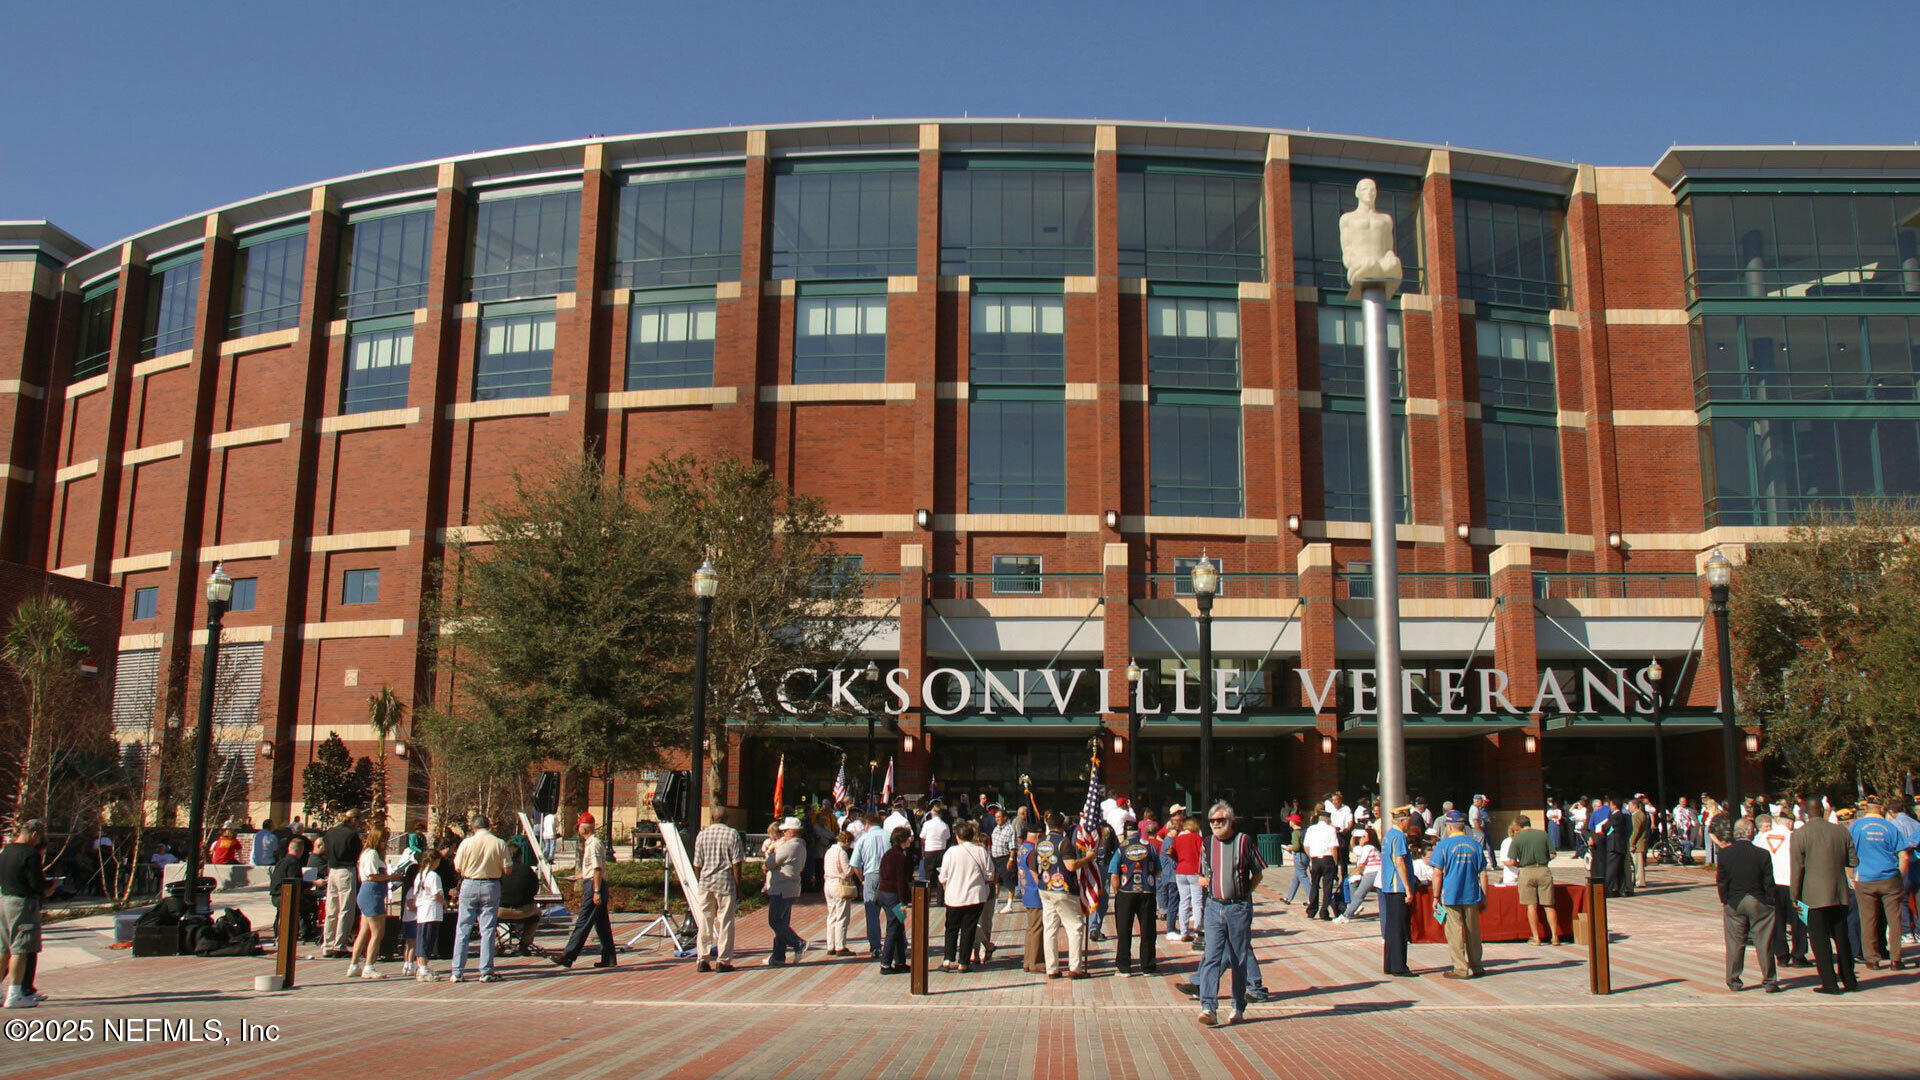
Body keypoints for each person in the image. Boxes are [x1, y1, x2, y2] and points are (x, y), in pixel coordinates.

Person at [1193, 801, 1265, 1027]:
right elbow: (1202, 873)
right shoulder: (1207, 843)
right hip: (1214, 907)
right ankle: (1208, 1007)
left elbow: (1258, 873)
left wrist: (1244, 893)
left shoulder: (1244, 841)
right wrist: (1205, 881)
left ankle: (1237, 1006)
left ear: (1230, 821)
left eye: (1220, 820)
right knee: (1211, 956)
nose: (1216, 824)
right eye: (1212, 821)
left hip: (1238, 907)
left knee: (1238, 958)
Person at [1791, 799, 1859, 995]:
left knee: (1820, 941)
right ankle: (1850, 979)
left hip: (1813, 895)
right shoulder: (1840, 831)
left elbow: (1797, 868)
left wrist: (1794, 896)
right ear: (1822, 811)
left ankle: (1829, 983)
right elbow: (1853, 860)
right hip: (1839, 892)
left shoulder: (1800, 834)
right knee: (1842, 938)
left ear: (1805, 813)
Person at [1712, 816, 1779, 992]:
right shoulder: (1762, 854)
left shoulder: (1725, 854)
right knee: (1764, 941)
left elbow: (1721, 880)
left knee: (1734, 942)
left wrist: (1725, 900)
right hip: (1758, 900)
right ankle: (1770, 979)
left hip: (1734, 901)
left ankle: (1734, 979)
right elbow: (1769, 882)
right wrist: (1770, 901)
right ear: (1750, 832)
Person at [1848, 796, 1908, 971]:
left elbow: (1849, 854)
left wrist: (1852, 876)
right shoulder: (1891, 827)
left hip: (1865, 878)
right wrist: (1900, 876)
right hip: (1889, 877)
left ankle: (1872, 959)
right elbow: (1903, 855)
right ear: (1881, 809)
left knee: (1868, 919)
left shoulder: (1855, 827)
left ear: (1867, 809)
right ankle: (1896, 959)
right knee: (1894, 919)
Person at [450, 813, 511, 983]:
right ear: (489, 826)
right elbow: (507, 869)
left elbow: (458, 867)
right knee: (488, 929)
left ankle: (457, 970)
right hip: (491, 884)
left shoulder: (466, 843)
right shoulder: (499, 843)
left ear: (474, 827)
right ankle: (486, 970)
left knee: (463, 927)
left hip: (469, 883)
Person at [0, 821, 53, 1009]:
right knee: (20, 948)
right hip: (22, 903)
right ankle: (15, 994)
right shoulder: (30, 854)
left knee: (4, 948)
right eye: (38, 837)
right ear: (34, 834)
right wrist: (51, 887)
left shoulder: (6, 851)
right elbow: (37, 885)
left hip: (5, 900)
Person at [555, 812, 615, 969]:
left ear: (583, 828)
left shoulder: (593, 844)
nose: (578, 831)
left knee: (584, 921)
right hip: (593, 882)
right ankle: (609, 957)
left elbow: (597, 868)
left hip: (595, 885)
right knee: (601, 923)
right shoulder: (592, 843)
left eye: (579, 827)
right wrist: (580, 875)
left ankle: (568, 956)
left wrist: (596, 891)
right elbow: (592, 868)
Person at [1431, 812, 1488, 979]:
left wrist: (1435, 897)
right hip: (1471, 893)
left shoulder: (1444, 845)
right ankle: (1477, 966)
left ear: (1449, 827)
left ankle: (1460, 968)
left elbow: (1437, 873)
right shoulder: (1475, 845)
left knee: (1455, 931)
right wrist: (1484, 896)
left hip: (1451, 894)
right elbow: (1483, 874)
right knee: (1473, 931)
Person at [1036, 812, 1090, 978]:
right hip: (1063, 888)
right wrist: (1087, 859)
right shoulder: (1064, 842)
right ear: (1061, 826)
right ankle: (1075, 968)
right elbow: (1071, 865)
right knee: (1074, 927)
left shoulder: (1041, 841)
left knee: (1050, 928)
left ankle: (1052, 968)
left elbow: (1035, 865)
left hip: (1045, 888)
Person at [937, 821, 994, 972]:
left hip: (954, 897)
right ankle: (964, 962)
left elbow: (942, 877)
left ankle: (948, 959)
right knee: (968, 928)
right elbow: (990, 874)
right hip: (975, 896)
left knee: (951, 928)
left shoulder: (950, 852)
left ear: (957, 836)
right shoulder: (981, 851)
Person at [1755, 811, 1809, 969]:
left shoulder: (1763, 837)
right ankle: (1798, 955)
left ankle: (1781, 955)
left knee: (1777, 920)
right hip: (1792, 882)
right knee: (1798, 920)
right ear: (1790, 823)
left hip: (1771, 883)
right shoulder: (1794, 837)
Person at [347, 824, 400, 979]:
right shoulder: (372, 854)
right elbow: (372, 875)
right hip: (372, 892)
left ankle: (354, 964)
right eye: (384, 840)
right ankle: (369, 966)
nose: (385, 843)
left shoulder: (368, 853)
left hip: (369, 892)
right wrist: (392, 877)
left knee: (364, 931)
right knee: (378, 932)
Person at [692, 816, 744, 972]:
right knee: (725, 922)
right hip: (725, 883)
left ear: (712, 818)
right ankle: (723, 961)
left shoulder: (702, 834)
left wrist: (699, 879)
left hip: (706, 883)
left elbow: (697, 863)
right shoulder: (732, 834)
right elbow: (737, 862)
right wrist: (739, 885)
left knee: (705, 921)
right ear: (726, 818)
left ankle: (702, 959)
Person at [1108, 821, 1160, 976]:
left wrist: (1117, 891)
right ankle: (1148, 966)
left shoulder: (1121, 848)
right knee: (1148, 931)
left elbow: (1114, 874)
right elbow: (1158, 871)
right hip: (1147, 892)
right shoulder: (1149, 846)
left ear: (1125, 831)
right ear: (1138, 830)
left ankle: (1124, 967)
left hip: (1126, 892)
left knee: (1124, 930)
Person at [1503, 814, 1557, 945]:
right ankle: (1555, 937)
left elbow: (1511, 860)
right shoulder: (1543, 834)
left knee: (1531, 906)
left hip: (1526, 871)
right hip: (1543, 870)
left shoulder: (1517, 838)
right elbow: (1553, 854)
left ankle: (1536, 937)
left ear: (1518, 825)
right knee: (1549, 905)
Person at [764, 817, 809, 966]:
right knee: (782, 923)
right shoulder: (801, 845)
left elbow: (769, 863)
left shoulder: (790, 846)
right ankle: (778, 956)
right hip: (791, 887)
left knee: (775, 921)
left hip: (782, 888)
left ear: (792, 831)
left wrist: (771, 851)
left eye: (785, 830)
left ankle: (798, 942)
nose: (783, 833)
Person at [1378, 806, 1417, 978]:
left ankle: (1390, 963)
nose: (1410, 823)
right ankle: (1399, 965)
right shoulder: (1399, 836)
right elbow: (1400, 862)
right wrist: (1408, 888)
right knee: (1400, 928)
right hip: (1397, 886)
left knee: (1392, 927)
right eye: (1408, 820)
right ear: (1403, 821)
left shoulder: (1388, 836)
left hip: (1388, 885)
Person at [321, 808, 364, 957]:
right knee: (346, 909)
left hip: (332, 870)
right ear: (353, 819)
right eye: (358, 820)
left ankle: (327, 944)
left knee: (331, 909)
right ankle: (339, 945)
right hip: (346, 869)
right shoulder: (352, 834)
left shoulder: (331, 832)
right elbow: (357, 852)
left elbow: (324, 848)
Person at [406, 848, 449, 981]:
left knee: (423, 938)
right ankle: (423, 968)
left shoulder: (420, 875)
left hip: (423, 910)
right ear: (435, 861)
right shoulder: (433, 876)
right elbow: (436, 894)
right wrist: (445, 903)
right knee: (426, 939)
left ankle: (422, 966)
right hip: (431, 910)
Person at [850, 811, 889, 958]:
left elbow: (855, 864)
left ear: (867, 824)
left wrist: (862, 879)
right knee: (895, 910)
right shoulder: (889, 835)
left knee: (872, 913)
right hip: (889, 876)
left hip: (871, 874)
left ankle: (875, 946)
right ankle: (900, 941)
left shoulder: (863, 839)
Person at [876, 826, 914, 974]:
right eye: (908, 838)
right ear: (902, 840)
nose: (910, 840)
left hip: (884, 894)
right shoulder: (900, 857)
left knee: (899, 927)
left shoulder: (888, 854)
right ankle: (885, 963)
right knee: (893, 928)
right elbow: (901, 881)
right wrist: (904, 902)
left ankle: (900, 962)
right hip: (894, 896)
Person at [269, 834, 318, 944]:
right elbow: (294, 882)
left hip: (276, 895)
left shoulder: (282, 861)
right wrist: (314, 883)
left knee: (304, 900)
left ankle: (284, 932)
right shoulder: (293, 863)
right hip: (285, 896)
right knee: (308, 903)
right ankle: (305, 932)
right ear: (301, 851)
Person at [1170, 813, 1205, 940]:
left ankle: (1184, 932)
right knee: (1196, 902)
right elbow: (1203, 855)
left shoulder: (1178, 839)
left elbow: (1172, 852)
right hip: (1194, 871)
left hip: (1180, 871)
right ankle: (1197, 930)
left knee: (1183, 901)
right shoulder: (1198, 838)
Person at [824, 829, 857, 956]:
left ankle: (830, 945)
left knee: (831, 915)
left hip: (828, 883)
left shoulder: (829, 851)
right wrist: (853, 868)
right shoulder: (841, 852)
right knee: (842, 916)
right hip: (839, 884)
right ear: (846, 841)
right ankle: (840, 946)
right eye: (849, 843)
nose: (849, 846)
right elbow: (847, 870)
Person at [1017, 825, 1046, 973]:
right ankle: (1036, 962)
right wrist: (1042, 886)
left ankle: (1028, 961)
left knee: (1031, 928)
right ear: (1037, 836)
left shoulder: (1022, 848)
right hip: (1034, 893)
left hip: (1025, 891)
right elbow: (1034, 872)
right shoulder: (1032, 851)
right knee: (1037, 929)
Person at [1335, 827, 1380, 922]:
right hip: (1372, 873)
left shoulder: (1368, 848)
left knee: (1359, 894)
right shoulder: (1368, 848)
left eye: (1364, 837)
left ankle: (1347, 914)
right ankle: (1352, 906)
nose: (1361, 839)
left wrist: (1352, 874)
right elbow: (1353, 846)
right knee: (1354, 885)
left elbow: (1361, 864)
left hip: (1371, 873)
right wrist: (1353, 837)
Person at [1304, 810, 1340, 920]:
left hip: (1315, 859)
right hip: (1327, 858)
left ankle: (1311, 911)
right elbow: (1334, 847)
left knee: (1314, 885)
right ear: (1327, 819)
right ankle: (1324, 911)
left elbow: (1306, 845)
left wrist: (1311, 857)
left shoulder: (1311, 829)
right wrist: (1335, 863)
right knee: (1327, 886)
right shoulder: (1330, 829)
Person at [1280, 812, 1309, 907]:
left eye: (1290, 821)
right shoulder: (1304, 831)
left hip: (1299, 856)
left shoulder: (1295, 833)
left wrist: (1289, 848)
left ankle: (1312, 898)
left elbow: (1296, 847)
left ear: (1293, 822)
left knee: (1303, 878)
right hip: (1305, 856)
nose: (1289, 822)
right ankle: (1289, 897)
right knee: (1296, 878)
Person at [1629, 798, 1651, 888]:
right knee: (1637, 864)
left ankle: (1639, 882)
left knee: (1638, 865)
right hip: (1640, 843)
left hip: (1638, 844)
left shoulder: (1637, 815)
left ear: (1634, 806)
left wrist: (1632, 843)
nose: (1629, 808)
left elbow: (1635, 831)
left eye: (1630, 806)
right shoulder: (1641, 814)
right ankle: (1637, 881)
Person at [1672, 797, 1697, 864]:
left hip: (1687, 829)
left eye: (1685, 801)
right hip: (1680, 829)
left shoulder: (1688, 810)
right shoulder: (1676, 809)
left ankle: (1686, 856)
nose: (1683, 803)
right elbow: (1676, 819)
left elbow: (1692, 818)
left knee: (1690, 843)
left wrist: (1692, 823)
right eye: (1682, 801)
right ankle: (1687, 858)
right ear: (1679, 802)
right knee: (1688, 843)